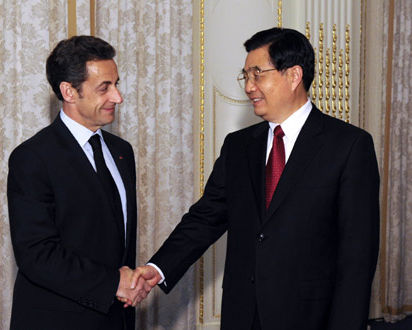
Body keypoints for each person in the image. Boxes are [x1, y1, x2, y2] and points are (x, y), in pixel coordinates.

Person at [130, 27, 380, 330]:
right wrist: (159, 267)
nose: (249, 87)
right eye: (245, 76)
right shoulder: (238, 146)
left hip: (309, 316)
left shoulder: (348, 146)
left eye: (257, 74)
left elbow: (358, 254)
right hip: (243, 312)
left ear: (294, 75)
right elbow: (206, 217)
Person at [7, 35, 148, 330]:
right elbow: (37, 255)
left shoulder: (122, 151)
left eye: (116, 84)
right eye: (104, 88)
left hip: (117, 319)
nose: (117, 97)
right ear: (69, 91)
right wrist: (114, 283)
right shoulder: (33, 158)